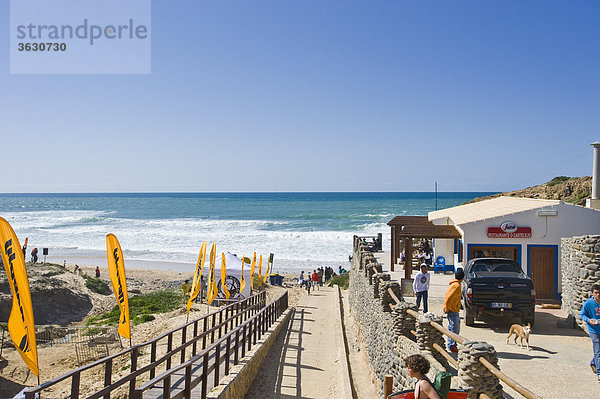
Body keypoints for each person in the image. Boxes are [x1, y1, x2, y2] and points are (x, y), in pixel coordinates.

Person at [580, 284, 600, 382]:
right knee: (598, 351)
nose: (598, 295)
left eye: (599, 293)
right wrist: (589, 320)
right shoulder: (588, 304)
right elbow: (582, 314)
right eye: (596, 293)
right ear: (592, 293)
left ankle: (593, 363)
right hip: (593, 330)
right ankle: (599, 373)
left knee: (598, 352)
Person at [443, 268, 465, 352]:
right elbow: (449, 297)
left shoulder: (453, 284)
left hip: (452, 309)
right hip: (453, 310)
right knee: (454, 328)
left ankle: (451, 344)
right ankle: (452, 345)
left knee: (452, 327)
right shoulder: (457, 286)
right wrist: (446, 307)